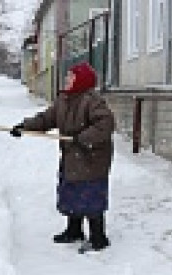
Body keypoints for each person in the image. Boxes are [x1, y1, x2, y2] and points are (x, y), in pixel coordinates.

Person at [10, 62, 115, 254]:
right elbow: (46, 119)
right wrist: (24, 127)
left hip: (92, 158)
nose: (67, 79)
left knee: (91, 196)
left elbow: (106, 124)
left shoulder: (93, 101)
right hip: (73, 156)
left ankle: (98, 237)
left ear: (81, 80)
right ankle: (74, 230)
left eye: (70, 77)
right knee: (72, 192)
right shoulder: (64, 100)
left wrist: (83, 138)